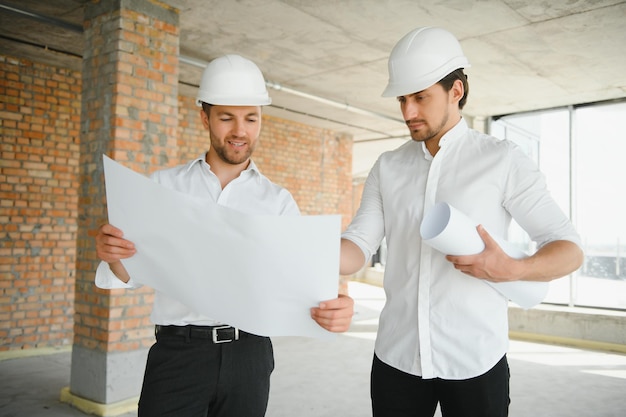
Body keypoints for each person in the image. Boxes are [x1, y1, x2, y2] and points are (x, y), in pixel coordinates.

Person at [338, 27, 584, 417]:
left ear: (456, 91)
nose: (408, 112)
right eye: (402, 98)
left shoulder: (502, 160)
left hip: (476, 361)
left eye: (420, 97)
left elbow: (569, 249)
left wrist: (514, 269)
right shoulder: (387, 167)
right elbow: (357, 246)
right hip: (397, 359)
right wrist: (303, 248)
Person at [95, 54, 354, 417]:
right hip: (178, 355)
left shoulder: (277, 202)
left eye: (251, 118)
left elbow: (303, 283)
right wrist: (113, 254)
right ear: (205, 117)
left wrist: (338, 304)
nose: (240, 131)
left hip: (249, 356)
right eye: (226, 117)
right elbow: (130, 274)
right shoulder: (163, 187)